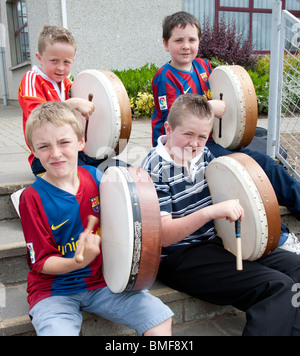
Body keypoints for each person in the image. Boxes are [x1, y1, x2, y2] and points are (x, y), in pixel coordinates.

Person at [142, 94, 300, 336]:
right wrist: (210, 212)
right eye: (187, 134)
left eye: (202, 137)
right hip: (181, 256)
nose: (194, 144)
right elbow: (165, 237)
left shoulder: (204, 155)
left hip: (217, 242)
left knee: (296, 267)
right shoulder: (154, 169)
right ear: (168, 128)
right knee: (277, 287)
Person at [19, 101, 173, 336]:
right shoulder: (32, 198)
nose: (56, 153)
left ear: (81, 142)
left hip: (103, 283)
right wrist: (77, 262)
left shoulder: (97, 177)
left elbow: (127, 218)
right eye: (44, 146)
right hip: (53, 291)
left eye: (64, 142)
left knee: (159, 320)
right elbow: (41, 263)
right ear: (34, 151)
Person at [151, 11, 300, 252]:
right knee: (248, 173)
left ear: (199, 41)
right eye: (178, 40)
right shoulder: (164, 78)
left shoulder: (203, 66)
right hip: (185, 149)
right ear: (165, 44)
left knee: (266, 164)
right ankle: (279, 236)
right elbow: (178, 118)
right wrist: (211, 107)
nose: (186, 46)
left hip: (210, 142)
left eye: (191, 40)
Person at [18, 25, 125, 176]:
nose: (61, 68)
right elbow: (37, 118)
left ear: (73, 60)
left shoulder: (66, 83)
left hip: (74, 150)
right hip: (48, 156)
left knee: (123, 170)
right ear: (39, 58)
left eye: (66, 62)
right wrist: (72, 104)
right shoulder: (31, 79)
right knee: (91, 176)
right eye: (54, 61)